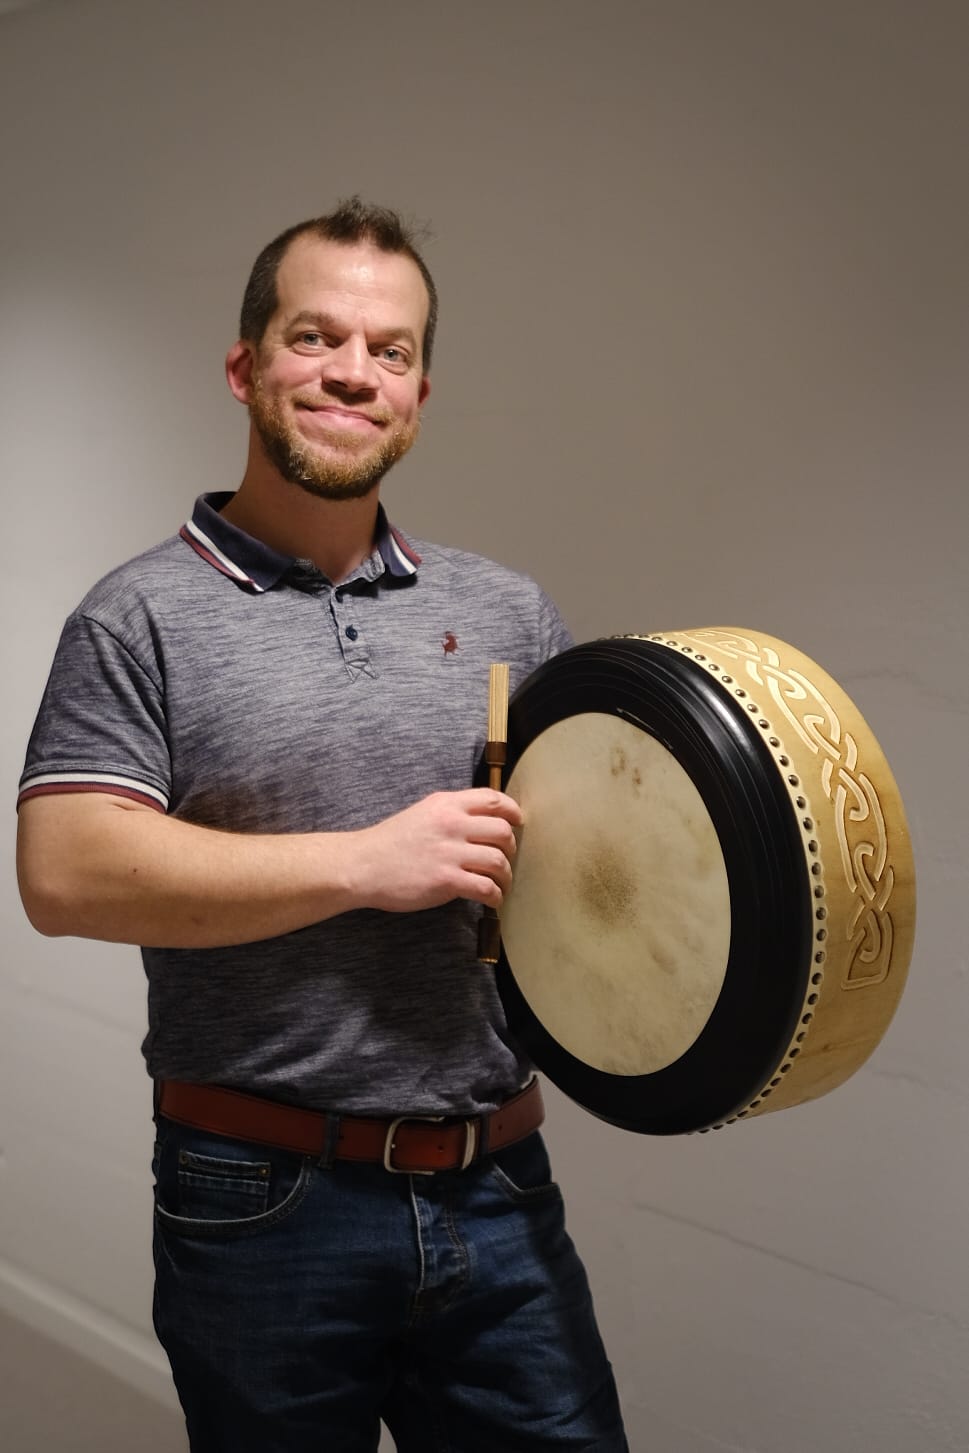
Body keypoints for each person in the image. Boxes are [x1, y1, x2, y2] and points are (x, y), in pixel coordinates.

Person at [16, 199, 628, 1452]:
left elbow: (579, 867)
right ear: (245, 366)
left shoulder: (510, 611)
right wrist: (366, 862)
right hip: (258, 1199)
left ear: (418, 390)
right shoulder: (136, 617)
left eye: (389, 350)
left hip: (499, 1184)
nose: (354, 370)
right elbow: (63, 871)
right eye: (316, 337)